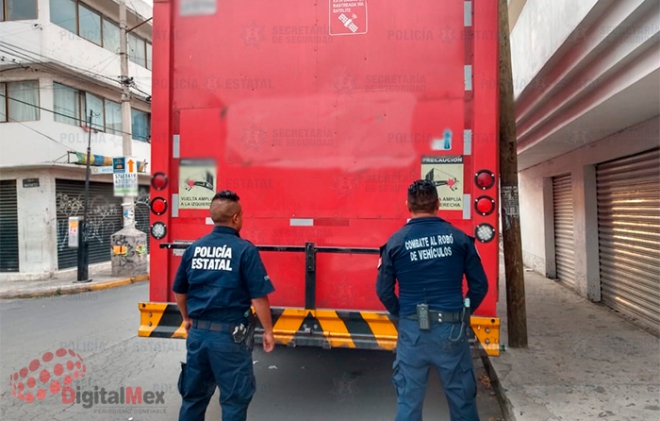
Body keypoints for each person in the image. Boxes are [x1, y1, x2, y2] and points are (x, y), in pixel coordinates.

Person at [376, 179, 489, 421]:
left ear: (408, 205)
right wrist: (465, 311)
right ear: (439, 204)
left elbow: (384, 291)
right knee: (462, 401)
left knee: (408, 402)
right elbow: (479, 286)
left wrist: (402, 314)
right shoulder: (460, 239)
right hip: (452, 330)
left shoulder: (395, 243)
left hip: (412, 332)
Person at [173, 190, 276, 421]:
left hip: (198, 336)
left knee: (193, 397)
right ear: (236, 218)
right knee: (233, 400)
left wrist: (186, 318)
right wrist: (268, 331)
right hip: (230, 339)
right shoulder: (245, 250)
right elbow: (259, 298)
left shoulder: (194, 248)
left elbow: (179, 290)